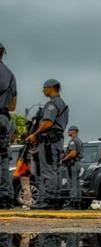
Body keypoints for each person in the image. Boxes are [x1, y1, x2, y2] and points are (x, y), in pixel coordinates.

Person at [26, 80, 69, 210]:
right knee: (54, 170)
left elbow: (48, 123)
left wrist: (35, 134)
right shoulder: (62, 104)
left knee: (48, 171)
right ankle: (54, 199)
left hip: (49, 142)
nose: (43, 90)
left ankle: (49, 200)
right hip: (55, 141)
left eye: (44, 88)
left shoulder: (52, 104)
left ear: (51, 88)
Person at [0, 43, 17, 210]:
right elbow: (13, 105)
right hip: (4, 118)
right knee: (3, 158)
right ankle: (5, 197)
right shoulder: (10, 74)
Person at [61, 125, 84, 209]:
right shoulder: (79, 140)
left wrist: (63, 160)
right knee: (77, 183)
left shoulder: (73, 141)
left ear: (74, 131)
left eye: (70, 130)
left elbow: (72, 153)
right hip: (77, 163)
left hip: (73, 163)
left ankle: (73, 202)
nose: (68, 131)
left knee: (72, 183)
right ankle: (78, 202)